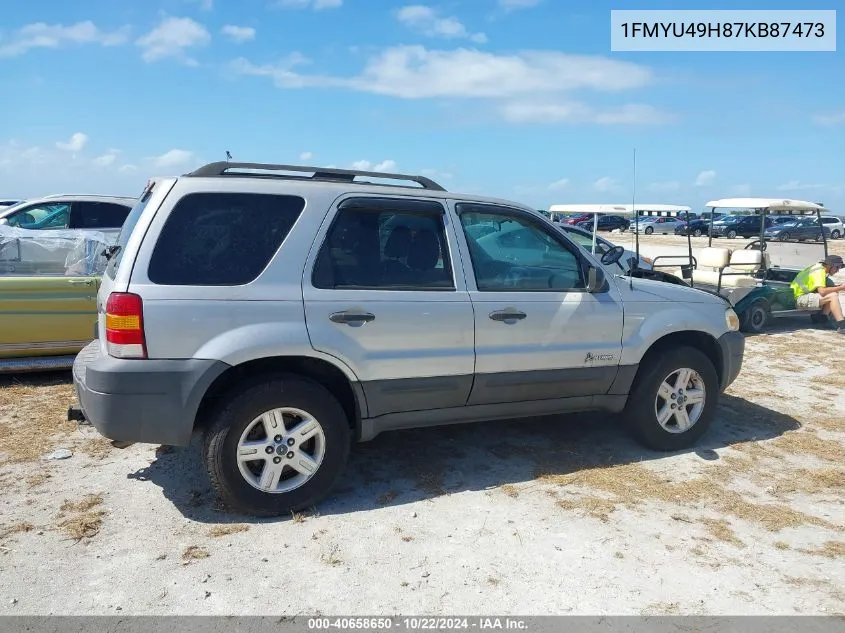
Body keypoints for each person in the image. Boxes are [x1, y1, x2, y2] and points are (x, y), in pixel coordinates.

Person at [791, 255, 845, 332]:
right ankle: (842, 326)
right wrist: (841, 288)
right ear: (830, 266)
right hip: (800, 299)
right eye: (837, 267)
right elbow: (822, 292)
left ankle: (822, 319)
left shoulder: (819, 268)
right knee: (833, 296)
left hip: (802, 296)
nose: (837, 270)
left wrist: (838, 287)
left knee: (833, 292)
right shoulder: (819, 272)